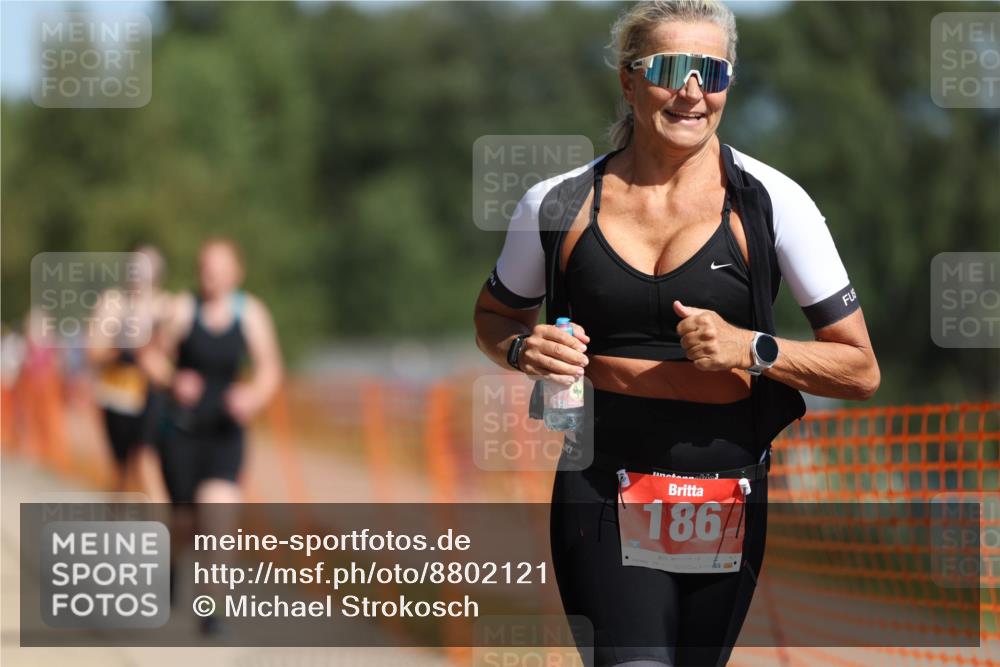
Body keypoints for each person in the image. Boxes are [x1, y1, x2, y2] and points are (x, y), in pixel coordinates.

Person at [472, 2, 880, 665]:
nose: (694, 91)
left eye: (712, 72)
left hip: (727, 485)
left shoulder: (773, 203)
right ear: (629, 82)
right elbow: (493, 317)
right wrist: (523, 348)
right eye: (671, 68)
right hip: (602, 477)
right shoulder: (558, 204)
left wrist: (752, 347)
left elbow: (859, 369)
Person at [88, 243, 172, 500]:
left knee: (146, 457)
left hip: (151, 395)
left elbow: (170, 364)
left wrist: (149, 351)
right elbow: (94, 351)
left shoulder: (168, 306)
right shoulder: (112, 302)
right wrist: (122, 344)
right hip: (116, 394)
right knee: (120, 467)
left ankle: (165, 525)